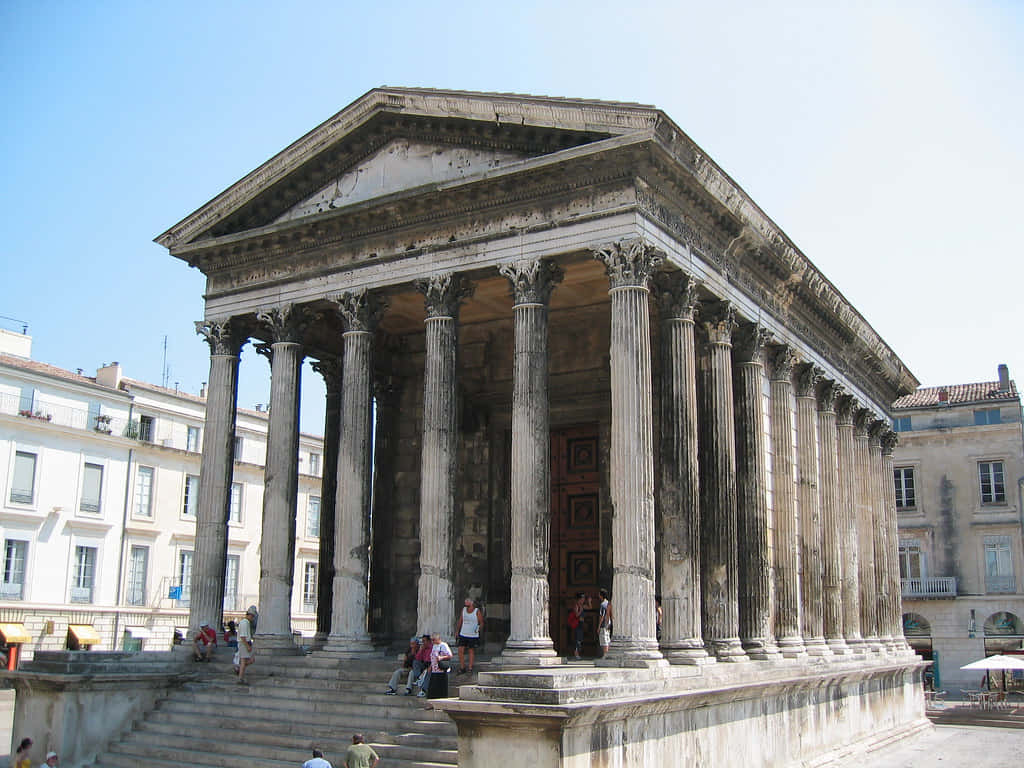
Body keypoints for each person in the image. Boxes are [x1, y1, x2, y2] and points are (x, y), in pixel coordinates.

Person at [455, 597, 484, 674]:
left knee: (471, 650)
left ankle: (470, 667)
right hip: (463, 633)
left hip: (472, 634)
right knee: (460, 650)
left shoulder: (476, 611)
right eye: (465, 601)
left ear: (471, 603)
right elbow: (460, 620)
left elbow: (481, 622)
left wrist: (478, 629)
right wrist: (457, 631)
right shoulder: (464, 610)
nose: (465, 603)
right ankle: (462, 667)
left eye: (467, 601)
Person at [422, 632, 453, 699]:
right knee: (432, 689)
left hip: (442, 670)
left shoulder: (443, 645)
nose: (433, 641)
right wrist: (430, 666)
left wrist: (441, 658)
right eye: (432, 640)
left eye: (434, 640)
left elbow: (450, 655)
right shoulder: (434, 646)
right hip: (434, 670)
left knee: (441, 689)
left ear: (438, 639)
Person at [236, 604, 256, 685]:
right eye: (252, 616)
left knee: (248, 660)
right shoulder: (245, 623)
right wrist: (247, 646)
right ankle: (240, 677)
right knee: (245, 661)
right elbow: (243, 636)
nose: (253, 618)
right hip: (244, 643)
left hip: (245, 643)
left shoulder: (246, 622)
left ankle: (239, 670)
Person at [568, 592, 591, 659]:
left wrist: (589, 601)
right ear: (579, 599)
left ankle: (577, 652)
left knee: (580, 639)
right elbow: (576, 615)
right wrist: (580, 611)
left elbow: (590, 607)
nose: (583, 600)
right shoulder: (576, 605)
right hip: (577, 624)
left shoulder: (582, 605)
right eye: (582, 598)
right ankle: (576, 653)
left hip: (581, 624)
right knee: (578, 639)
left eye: (584, 598)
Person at [598, 588, 613, 656]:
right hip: (608, 624)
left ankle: (605, 655)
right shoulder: (609, 603)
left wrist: (598, 627)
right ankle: (607, 654)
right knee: (607, 639)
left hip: (603, 625)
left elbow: (602, 617)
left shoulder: (602, 604)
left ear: (601, 595)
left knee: (604, 640)